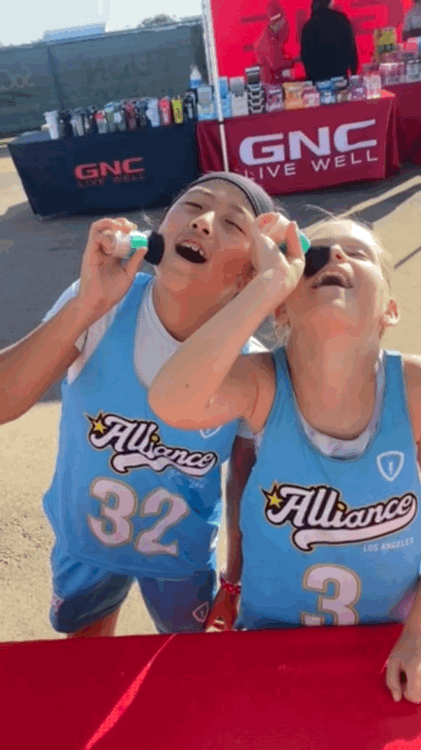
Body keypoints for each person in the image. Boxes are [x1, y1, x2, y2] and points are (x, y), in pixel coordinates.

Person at [149, 214, 421, 704]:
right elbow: (172, 400)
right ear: (281, 309)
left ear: (390, 310)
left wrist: (419, 633)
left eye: (358, 254)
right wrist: (266, 285)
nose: (335, 256)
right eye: (313, 257)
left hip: (393, 641)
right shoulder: (261, 382)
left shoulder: (414, 389)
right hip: (271, 639)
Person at [0, 173, 285, 638]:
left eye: (233, 223)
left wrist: (234, 579)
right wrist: (85, 306)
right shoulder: (103, 308)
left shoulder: (248, 365)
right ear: (159, 230)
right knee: (87, 661)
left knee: (180, 667)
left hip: (182, 557)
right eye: (193, 205)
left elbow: (244, 485)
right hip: (85, 544)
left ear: (252, 273)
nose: (204, 222)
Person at [301, 0, 358, 83]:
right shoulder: (341, 20)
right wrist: (353, 71)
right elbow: (351, 48)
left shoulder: (309, 26)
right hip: (339, 75)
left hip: (317, 79)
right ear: (330, 3)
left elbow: (305, 56)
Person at [254, 1, 293, 84]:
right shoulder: (268, 40)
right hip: (269, 83)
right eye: (283, 19)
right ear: (279, 21)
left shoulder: (272, 36)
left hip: (272, 81)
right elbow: (276, 65)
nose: (285, 22)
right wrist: (294, 60)